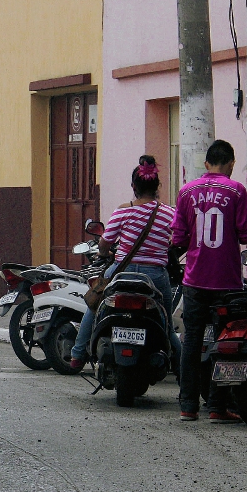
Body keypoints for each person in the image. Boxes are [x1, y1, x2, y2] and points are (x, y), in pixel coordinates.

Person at [170, 140, 247, 423]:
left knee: (192, 341)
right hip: (227, 283)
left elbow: (178, 238)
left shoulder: (186, 191)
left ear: (206, 164)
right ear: (231, 163)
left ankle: (187, 406)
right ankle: (218, 407)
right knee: (226, 343)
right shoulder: (237, 191)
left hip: (194, 279)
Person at [69, 155, 181, 370]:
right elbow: (177, 240)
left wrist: (103, 253)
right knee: (165, 323)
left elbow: (105, 243)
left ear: (133, 186)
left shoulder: (123, 210)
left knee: (94, 305)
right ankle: (180, 368)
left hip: (121, 272)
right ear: (157, 185)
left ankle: (78, 354)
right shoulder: (169, 213)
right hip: (156, 275)